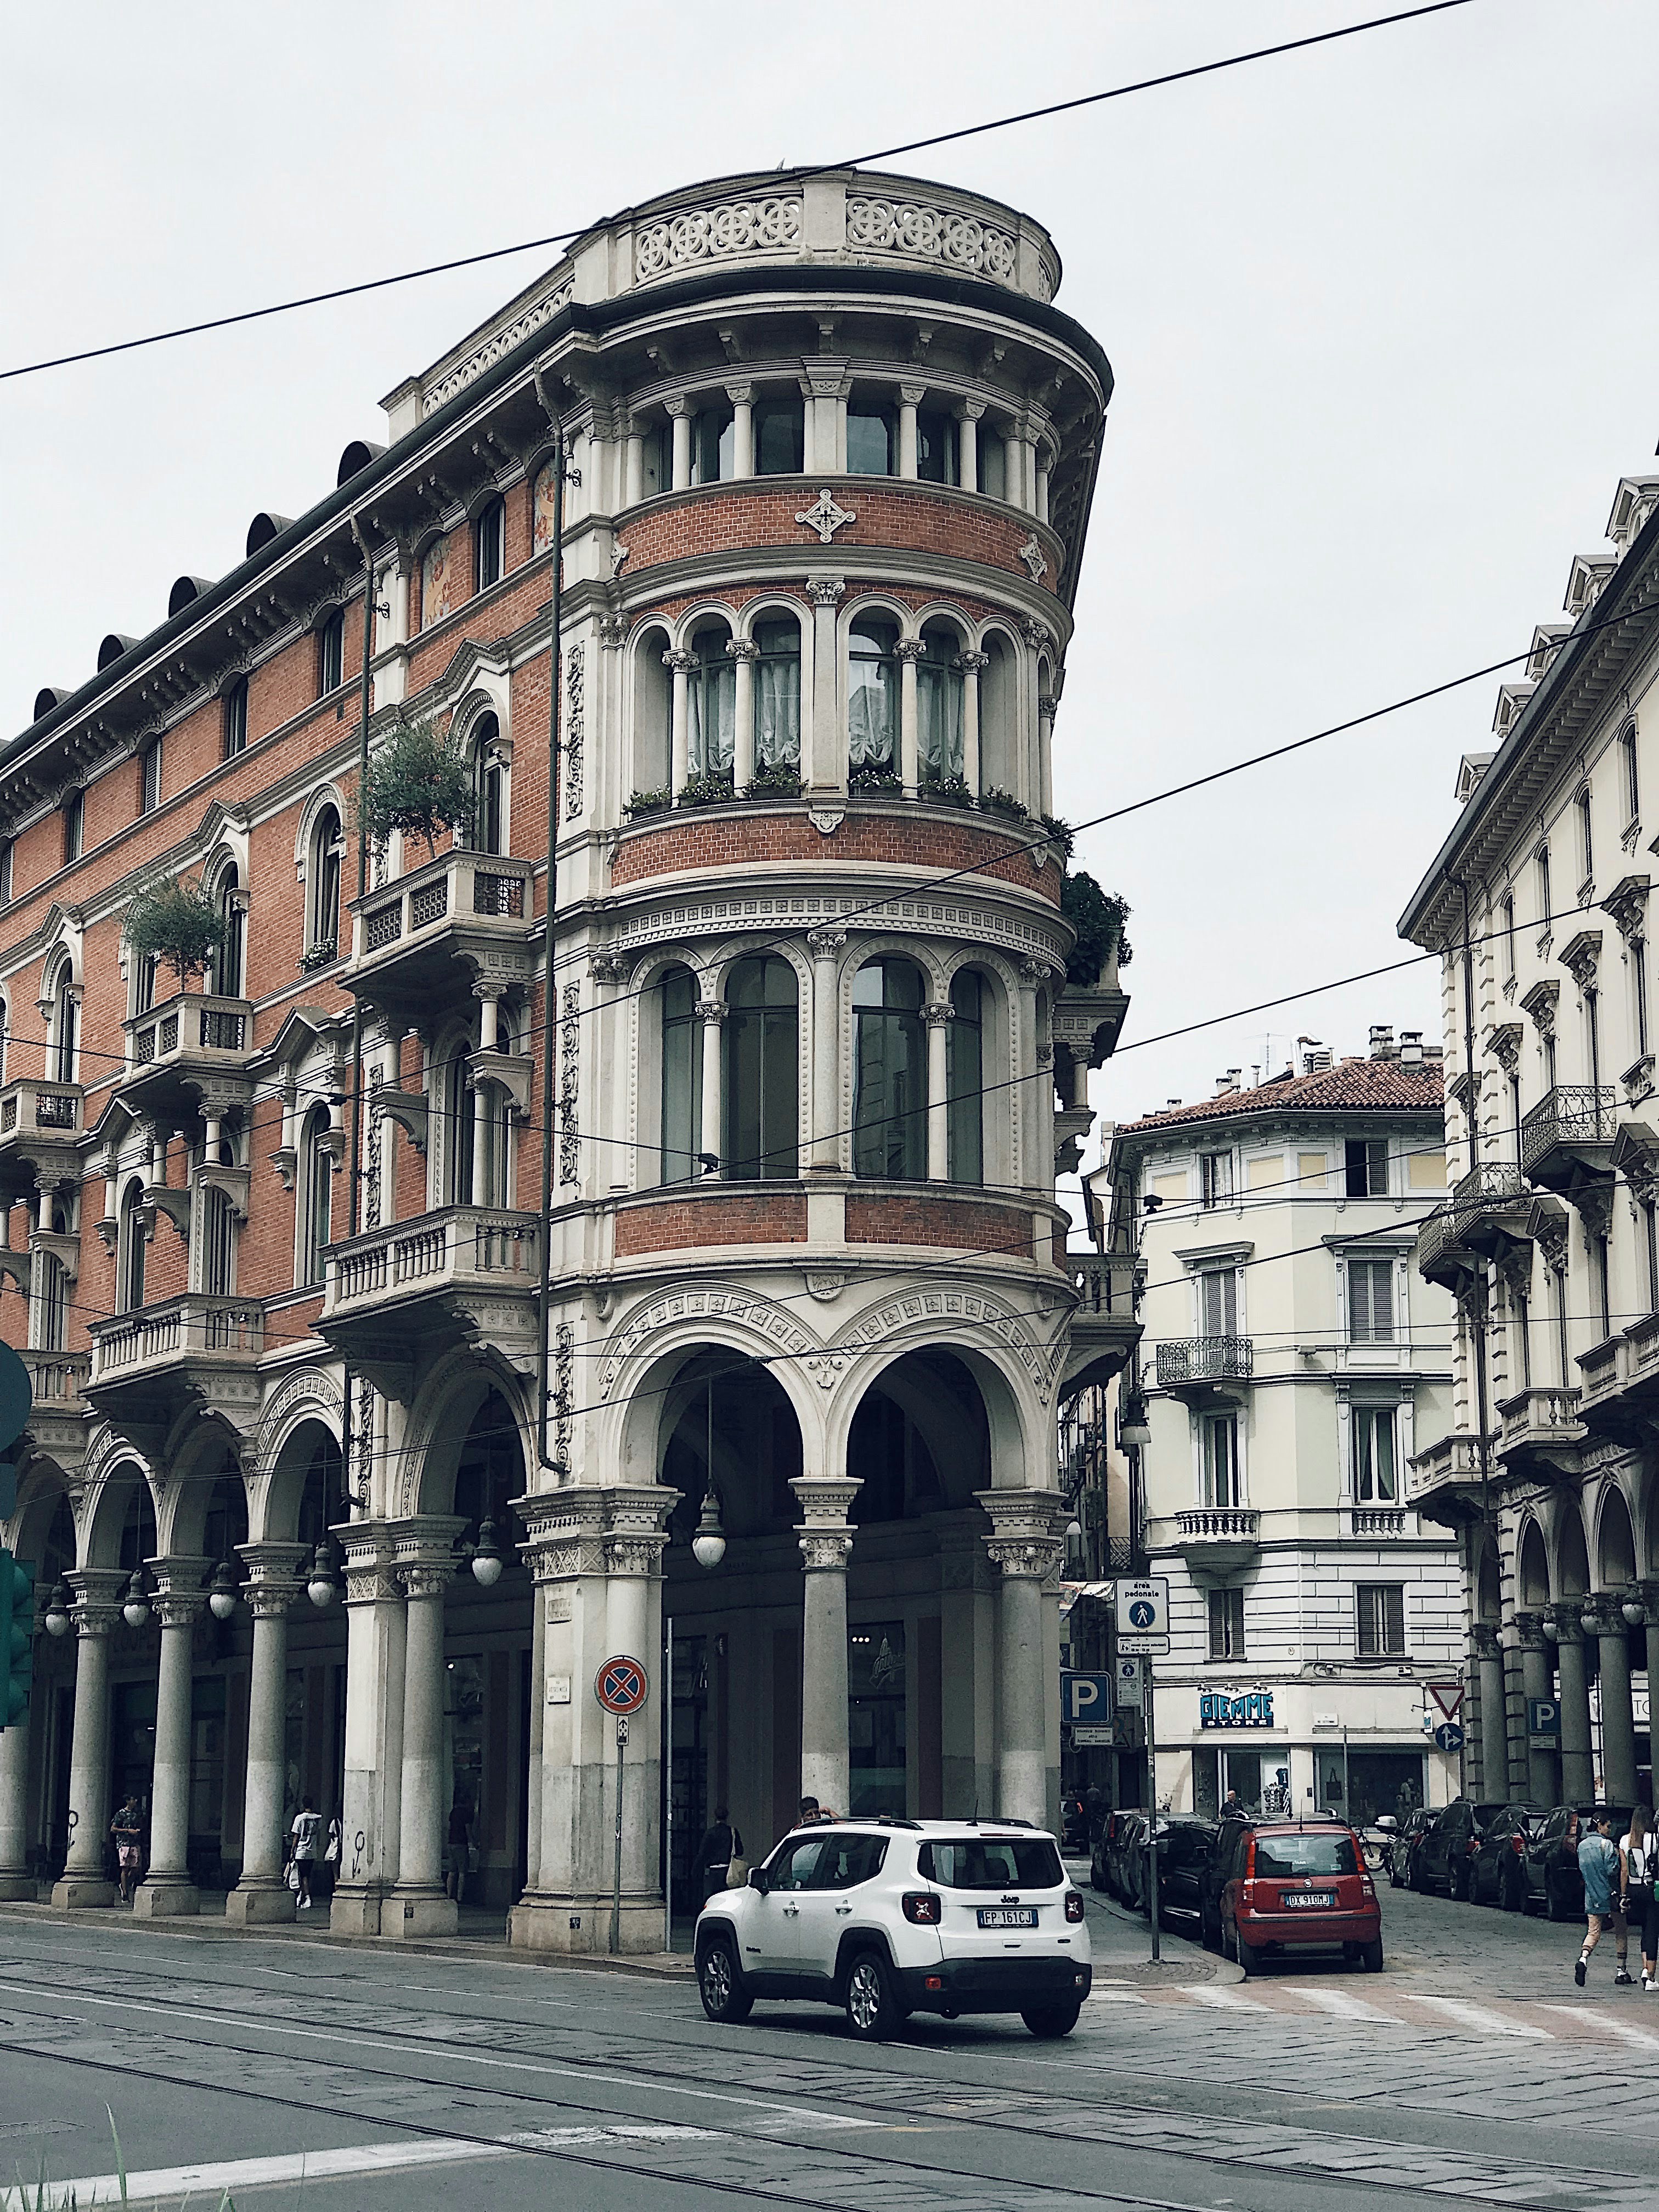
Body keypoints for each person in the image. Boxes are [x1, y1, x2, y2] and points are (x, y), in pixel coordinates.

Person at [1576, 1810, 1624, 1985]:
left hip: (1591, 1895)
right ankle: (1621, 1970)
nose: (1610, 1830)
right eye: (1608, 1826)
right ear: (1600, 1825)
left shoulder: (1582, 1846)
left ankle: (1583, 1959)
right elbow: (1613, 1870)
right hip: (1611, 1895)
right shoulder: (1607, 1845)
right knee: (1621, 1931)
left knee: (1593, 1933)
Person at [1621, 1805, 1656, 1991]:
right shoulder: (1654, 1839)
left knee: (1644, 1929)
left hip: (1634, 1889)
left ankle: (1644, 1968)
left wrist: (1623, 1894)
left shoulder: (1624, 1840)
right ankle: (1650, 1976)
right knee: (1652, 1931)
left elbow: (1624, 1870)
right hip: (1650, 1889)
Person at [696, 1807, 743, 1903]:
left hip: (712, 1871)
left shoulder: (710, 1833)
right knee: (727, 1899)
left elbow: (702, 1853)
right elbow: (740, 1851)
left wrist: (696, 1870)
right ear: (727, 1817)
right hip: (728, 1871)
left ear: (715, 1817)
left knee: (711, 1900)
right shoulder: (732, 1832)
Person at [288, 1795, 324, 1911]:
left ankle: (307, 1897)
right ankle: (301, 1896)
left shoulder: (300, 1818)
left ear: (303, 1804)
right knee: (307, 1874)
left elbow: (296, 1836)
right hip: (312, 1851)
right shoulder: (318, 1818)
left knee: (302, 1876)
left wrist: (292, 1851)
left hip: (301, 1851)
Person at [110, 1797, 143, 1905]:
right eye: (133, 1799)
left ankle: (125, 1884)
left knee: (135, 1868)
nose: (136, 1801)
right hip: (124, 1843)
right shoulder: (121, 1814)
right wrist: (128, 1831)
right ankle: (125, 1893)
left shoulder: (137, 1814)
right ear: (128, 1801)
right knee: (125, 1868)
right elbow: (113, 1829)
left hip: (134, 1843)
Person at [446, 1797, 473, 1905]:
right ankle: (459, 1897)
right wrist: (473, 1842)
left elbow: (449, 1828)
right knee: (462, 1872)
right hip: (461, 1844)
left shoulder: (453, 1812)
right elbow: (468, 1830)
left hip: (451, 1843)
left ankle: (448, 1895)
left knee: (451, 1872)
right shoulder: (466, 1813)